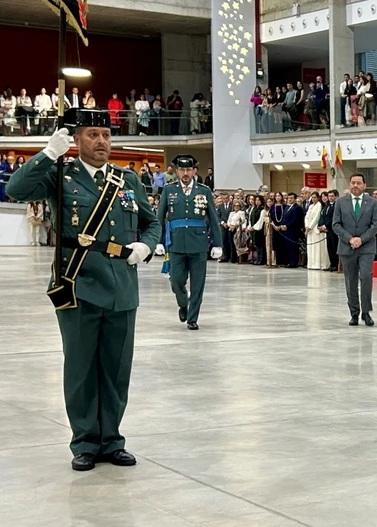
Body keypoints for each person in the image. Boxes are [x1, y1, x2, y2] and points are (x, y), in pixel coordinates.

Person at [6, 108, 160, 471]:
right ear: (76, 141)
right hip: (77, 284)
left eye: (106, 135)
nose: (101, 141)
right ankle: (85, 441)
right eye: (92, 135)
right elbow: (15, 190)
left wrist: (147, 245)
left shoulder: (127, 180)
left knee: (116, 369)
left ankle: (112, 440)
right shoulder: (61, 174)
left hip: (122, 286)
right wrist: (47, 153)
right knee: (80, 368)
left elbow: (151, 222)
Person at [154, 155, 223, 331]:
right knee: (176, 280)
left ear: (194, 171)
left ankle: (192, 318)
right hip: (176, 243)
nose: (185, 173)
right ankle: (183, 304)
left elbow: (213, 219)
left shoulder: (204, 190)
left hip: (199, 243)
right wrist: (158, 241)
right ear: (177, 171)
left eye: (188, 170)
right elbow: (160, 218)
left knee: (198, 283)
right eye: (182, 170)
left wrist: (218, 244)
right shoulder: (169, 190)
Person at [333, 173, 377, 326]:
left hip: (367, 247)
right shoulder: (340, 202)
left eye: (359, 183)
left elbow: (376, 225)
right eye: (353, 182)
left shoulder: (372, 203)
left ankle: (366, 312)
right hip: (347, 247)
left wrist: (361, 239)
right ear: (349, 184)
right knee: (350, 281)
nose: (355, 185)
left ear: (364, 185)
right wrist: (350, 239)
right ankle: (354, 313)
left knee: (366, 277)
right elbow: (336, 224)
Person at [304, 192, 330, 270]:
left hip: (315, 228)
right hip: (309, 229)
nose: (313, 199)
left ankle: (318, 264)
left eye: (315, 197)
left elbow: (316, 217)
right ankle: (311, 264)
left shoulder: (319, 205)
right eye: (312, 197)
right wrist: (306, 226)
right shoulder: (311, 206)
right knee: (310, 247)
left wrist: (310, 226)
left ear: (318, 198)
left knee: (317, 248)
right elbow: (307, 216)